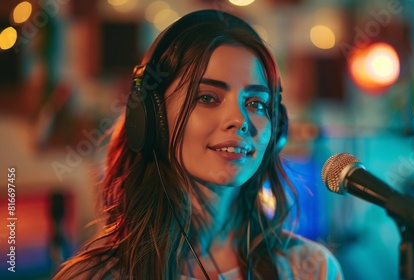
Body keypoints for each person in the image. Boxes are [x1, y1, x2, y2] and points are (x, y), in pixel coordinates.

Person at [53, 9, 343, 280]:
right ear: (151, 118)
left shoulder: (311, 269)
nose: (239, 120)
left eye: (256, 103)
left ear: (276, 127)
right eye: (207, 98)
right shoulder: (92, 276)